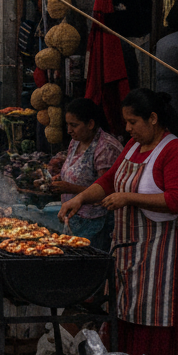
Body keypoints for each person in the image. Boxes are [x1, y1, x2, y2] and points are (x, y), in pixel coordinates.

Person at [60, 88, 178, 355]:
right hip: (127, 251)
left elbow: (177, 200)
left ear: (153, 118)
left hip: (159, 254)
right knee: (123, 312)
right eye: (126, 122)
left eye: (133, 122)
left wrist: (129, 198)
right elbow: (109, 180)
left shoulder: (174, 150)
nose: (128, 128)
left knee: (151, 316)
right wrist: (81, 198)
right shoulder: (133, 146)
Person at [50, 98, 124, 253]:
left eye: (74, 125)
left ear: (90, 124)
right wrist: (60, 175)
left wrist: (70, 188)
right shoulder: (76, 141)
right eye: (67, 124)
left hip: (96, 223)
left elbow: (107, 191)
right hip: (74, 218)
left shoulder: (106, 148)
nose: (69, 130)